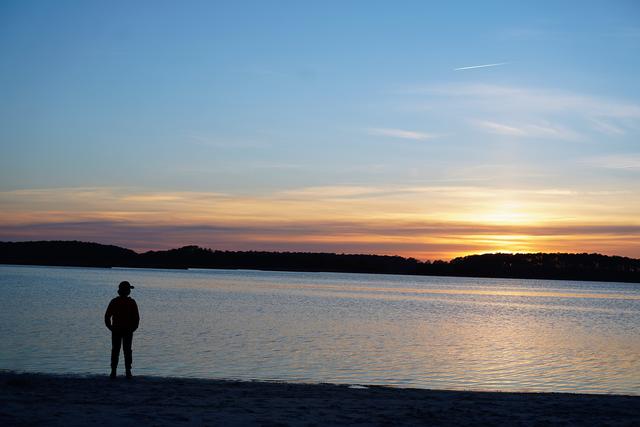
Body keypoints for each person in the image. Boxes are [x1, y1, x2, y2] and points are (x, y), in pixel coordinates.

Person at [104, 281, 140, 379]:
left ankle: (114, 371)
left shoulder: (114, 301)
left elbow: (107, 317)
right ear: (127, 291)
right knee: (127, 351)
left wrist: (110, 327)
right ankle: (127, 371)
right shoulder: (131, 302)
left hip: (118, 330)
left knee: (116, 350)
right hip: (126, 330)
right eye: (128, 289)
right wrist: (133, 328)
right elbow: (136, 318)